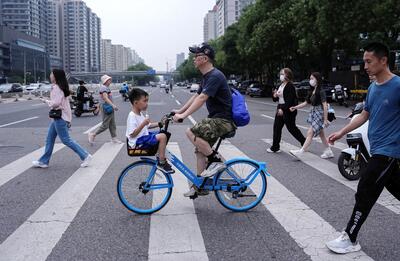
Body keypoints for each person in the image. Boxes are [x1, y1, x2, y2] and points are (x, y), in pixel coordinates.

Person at [326, 42, 400, 254]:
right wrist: (342, 132)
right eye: (364, 61)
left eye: (369, 61)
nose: (365, 65)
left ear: (383, 60)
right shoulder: (373, 87)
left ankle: (350, 237)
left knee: (366, 188)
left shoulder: (398, 86)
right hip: (377, 148)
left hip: (389, 151)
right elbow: (364, 115)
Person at [172, 43, 236, 197]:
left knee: (190, 131)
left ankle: (216, 161)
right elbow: (195, 96)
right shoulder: (206, 77)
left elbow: (202, 98)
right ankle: (200, 186)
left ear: (205, 58)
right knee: (200, 151)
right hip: (216, 119)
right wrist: (179, 111)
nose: (194, 59)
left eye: (196, 56)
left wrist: (183, 116)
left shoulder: (215, 75)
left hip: (224, 121)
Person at [32, 69, 92, 168]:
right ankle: (44, 161)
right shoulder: (61, 87)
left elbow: (56, 103)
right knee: (49, 139)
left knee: (66, 140)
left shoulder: (56, 88)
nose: (50, 75)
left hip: (60, 118)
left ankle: (85, 155)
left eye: (51, 74)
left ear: (55, 76)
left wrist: (46, 101)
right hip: (60, 118)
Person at [126, 88, 174, 173]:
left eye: (147, 101)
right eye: (144, 101)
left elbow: (148, 126)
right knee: (162, 137)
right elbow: (132, 134)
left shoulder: (140, 114)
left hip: (143, 138)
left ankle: (160, 155)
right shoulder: (132, 115)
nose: (147, 104)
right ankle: (161, 162)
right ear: (136, 102)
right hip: (138, 141)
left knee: (162, 133)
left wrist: (160, 123)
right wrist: (143, 124)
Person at [288, 72, 334, 159]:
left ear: (317, 79)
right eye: (310, 78)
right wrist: (295, 107)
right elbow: (306, 103)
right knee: (321, 134)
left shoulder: (321, 91)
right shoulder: (312, 90)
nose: (310, 80)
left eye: (312, 78)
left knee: (310, 133)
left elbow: (324, 105)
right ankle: (328, 151)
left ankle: (301, 152)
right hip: (314, 112)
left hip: (319, 114)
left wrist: (325, 118)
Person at [267, 68, 305, 153]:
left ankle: (304, 142)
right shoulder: (280, 85)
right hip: (280, 107)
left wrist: (282, 109)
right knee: (277, 127)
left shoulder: (290, 86)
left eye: (282, 74)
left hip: (288, 109)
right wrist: (274, 95)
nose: (281, 75)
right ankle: (275, 147)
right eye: (280, 74)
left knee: (291, 128)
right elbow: (275, 99)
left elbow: (290, 100)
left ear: (287, 75)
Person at [88, 75, 122, 144]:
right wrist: (113, 105)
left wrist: (98, 107)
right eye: (109, 80)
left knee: (112, 124)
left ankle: (114, 138)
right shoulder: (104, 88)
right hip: (107, 107)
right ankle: (93, 134)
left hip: (108, 107)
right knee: (105, 125)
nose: (110, 81)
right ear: (106, 81)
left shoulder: (106, 87)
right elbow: (105, 98)